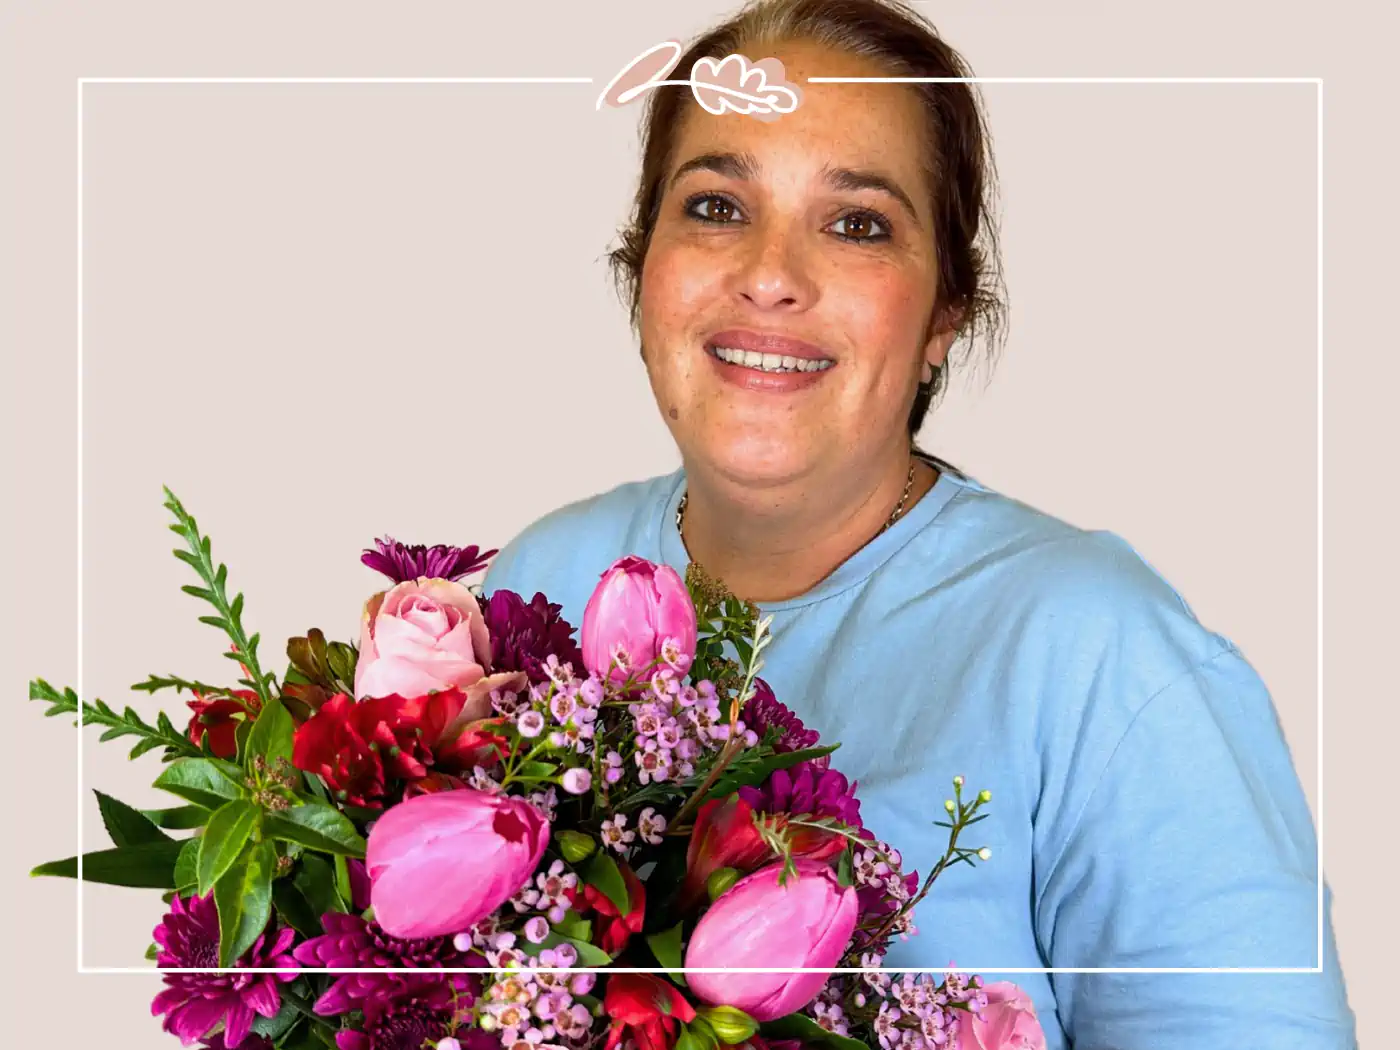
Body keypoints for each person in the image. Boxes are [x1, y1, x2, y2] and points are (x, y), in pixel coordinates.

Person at [482, 1, 1355, 1046]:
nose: (767, 274)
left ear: (944, 313)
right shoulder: (538, 586)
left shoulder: (1096, 652)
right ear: (641, 266)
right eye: (715, 206)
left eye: (857, 224)